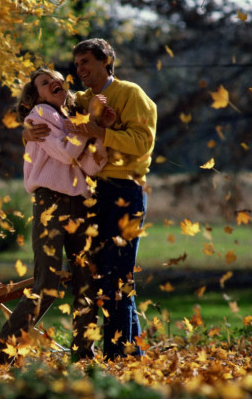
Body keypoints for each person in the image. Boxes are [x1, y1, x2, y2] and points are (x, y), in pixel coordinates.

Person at [25, 39, 157, 360]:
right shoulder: (82, 100)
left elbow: (142, 142)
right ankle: (128, 355)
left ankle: (118, 356)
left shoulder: (130, 93)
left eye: (87, 62)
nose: (80, 70)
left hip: (124, 190)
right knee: (104, 275)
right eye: (78, 64)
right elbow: (47, 114)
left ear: (107, 60)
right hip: (92, 193)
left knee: (118, 276)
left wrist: (98, 131)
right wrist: (26, 131)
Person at [0, 67, 116, 364]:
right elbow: (68, 155)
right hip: (51, 204)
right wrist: (88, 128)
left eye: (57, 78)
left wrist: (95, 129)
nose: (54, 82)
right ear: (37, 95)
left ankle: (83, 354)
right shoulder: (40, 114)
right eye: (45, 83)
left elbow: (94, 166)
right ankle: (0, 352)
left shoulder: (74, 119)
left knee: (87, 281)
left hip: (81, 205)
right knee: (46, 283)